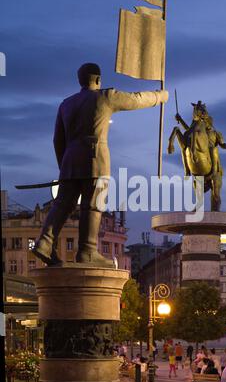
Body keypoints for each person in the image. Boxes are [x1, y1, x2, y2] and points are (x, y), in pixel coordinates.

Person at [32, 62, 169, 266]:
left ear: (80, 80)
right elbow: (136, 99)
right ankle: (87, 251)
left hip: (70, 160)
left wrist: (65, 166)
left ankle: (45, 241)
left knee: (63, 203)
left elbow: (57, 141)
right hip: (96, 160)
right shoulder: (105, 97)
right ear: (98, 79)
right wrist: (160, 96)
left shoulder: (66, 104)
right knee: (94, 205)